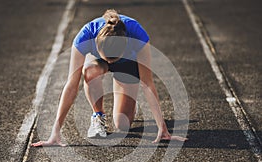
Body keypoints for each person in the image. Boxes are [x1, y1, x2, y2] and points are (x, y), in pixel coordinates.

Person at [32, 9, 187, 147]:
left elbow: (147, 84)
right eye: (107, 58)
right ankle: (97, 115)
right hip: (97, 64)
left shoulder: (138, 35)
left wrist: (163, 128)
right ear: (96, 45)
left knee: (122, 125)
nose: (110, 62)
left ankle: (129, 101)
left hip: (127, 65)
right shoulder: (85, 36)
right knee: (89, 70)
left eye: (113, 59)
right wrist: (55, 132)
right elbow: (71, 85)